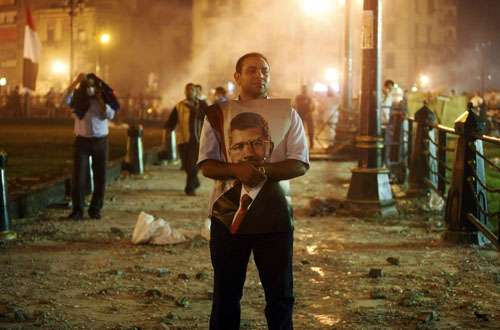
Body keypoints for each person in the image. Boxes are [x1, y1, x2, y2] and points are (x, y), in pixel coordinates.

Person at [198, 52, 309, 330]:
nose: (259, 75)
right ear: (237, 77)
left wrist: (263, 172)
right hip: (228, 215)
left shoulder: (288, 115)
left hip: (275, 217)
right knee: (226, 296)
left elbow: (299, 163)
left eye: (264, 70)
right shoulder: (217, 115)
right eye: (251, 70)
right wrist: (236, 171)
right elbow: (207, 164)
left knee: (280, 296)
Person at [63, 73, 119, 220]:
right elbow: (65, 100)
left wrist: (99, 98)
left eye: (92, 85)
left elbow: (110, 114)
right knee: (78, 177)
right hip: (82, 140)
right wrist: (75, 82)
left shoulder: (103, 97)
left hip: (100, 141)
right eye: (87, 85)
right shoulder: (79, 98)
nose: (90, 89)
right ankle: (77, 210)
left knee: (100, 177)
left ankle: (95, 209)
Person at [165, 83, 205, 195]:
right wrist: (167, 133)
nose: (189, 92)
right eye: (187, 90)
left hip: (198, 140)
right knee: (187, 165)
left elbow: (209, 118)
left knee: (193, 165)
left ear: (195, 92)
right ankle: (195, 182)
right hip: (183, 140)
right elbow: (171, 121)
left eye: (192, 90)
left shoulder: (202, 105)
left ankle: (190, 188)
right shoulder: (180, 106)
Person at [294, 84, 315, 149]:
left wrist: (310, 111)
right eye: (304, 89)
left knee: (309, 130)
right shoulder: (299, 97)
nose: (304, 90)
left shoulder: (308, 97)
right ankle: (302, 144)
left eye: (305, 89)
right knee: (301, 130)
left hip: (307, 115)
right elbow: (295, 106)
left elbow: (313, 106)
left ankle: (310, 143)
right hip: (302, 115)